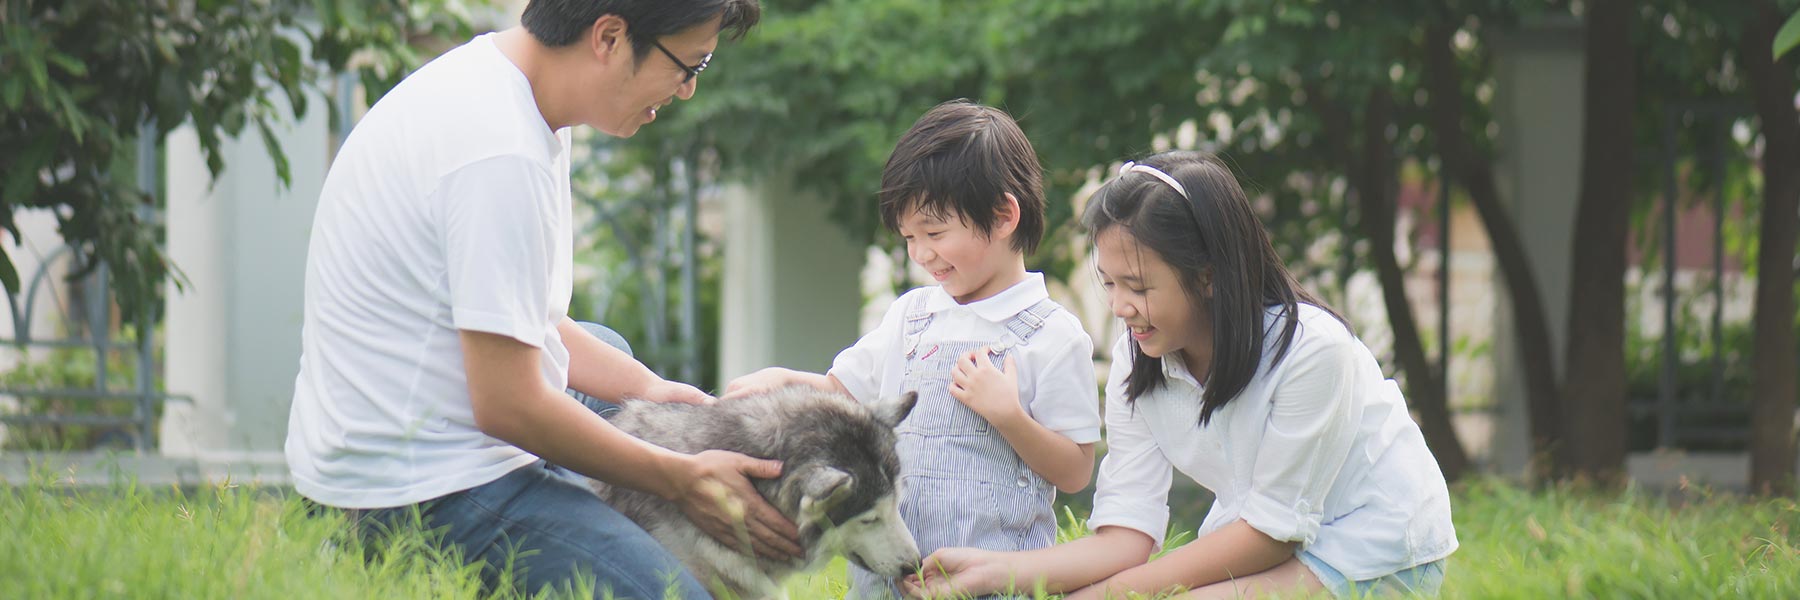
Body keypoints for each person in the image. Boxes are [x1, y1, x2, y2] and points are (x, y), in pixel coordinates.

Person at [283, 2, 801, 598]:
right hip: (415, 495)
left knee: (611, 358)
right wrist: (679, 479)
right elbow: (508, 404)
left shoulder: (506, 90)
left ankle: (584, 507)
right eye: (689, 65)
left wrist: (651, 389)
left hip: (403, 436)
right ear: (609, 36)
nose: (686, 90)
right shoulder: (498, 152)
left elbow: (529, 322)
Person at [903, 151, 1457, 599]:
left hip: (1374, 548)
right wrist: (994, 571)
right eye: (1110, 284)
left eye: (1138, 287)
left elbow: (1269, 536)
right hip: (1263, 538)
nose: (1120, 306)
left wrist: (1110, 596)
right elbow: (1125, 534)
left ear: (1208, 274)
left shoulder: (1312, 352)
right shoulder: (1138, 355)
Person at [723, 100, 1101, 598]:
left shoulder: (1052, 335)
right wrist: (785, 381)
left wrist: (1009, 416)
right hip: (888, 577)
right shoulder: (913, 315)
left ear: (1004, 215)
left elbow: (1075, 470)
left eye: (935, 233)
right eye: (908, 237)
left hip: (995, 578)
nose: (921, 254)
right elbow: (844, 392)